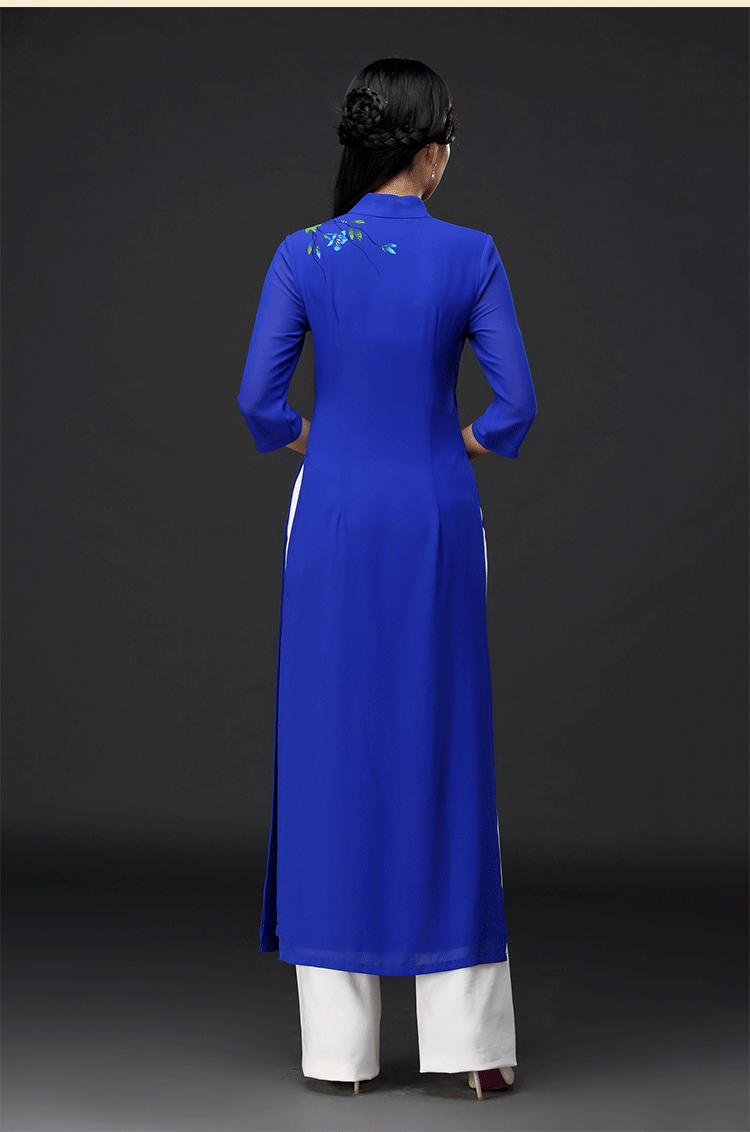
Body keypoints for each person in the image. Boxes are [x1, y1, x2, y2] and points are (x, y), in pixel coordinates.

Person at [237, 57, 537, 1100]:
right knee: (447, 745)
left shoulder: (305, 253)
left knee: (330, 743)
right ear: (431, 149)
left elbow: (259, 401)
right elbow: (516, 405)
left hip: (332, 514)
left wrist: (314, 441)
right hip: (437, 514)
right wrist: (460, 443)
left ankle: (341, 1054)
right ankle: (471, 1049)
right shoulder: (472, 254)